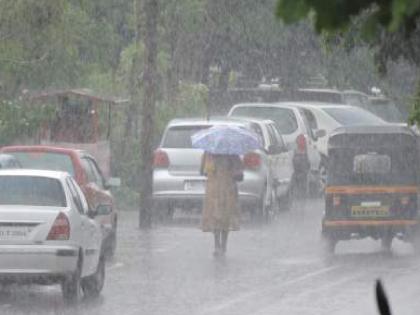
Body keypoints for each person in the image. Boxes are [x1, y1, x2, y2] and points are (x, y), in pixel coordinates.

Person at [201, 152, 243, 257]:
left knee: (223, 216)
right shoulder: (210, 153)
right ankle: (219, 245)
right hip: (218, 189)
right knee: (219, 216)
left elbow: (239, 175)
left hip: (224, 189)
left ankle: (221, 246)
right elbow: (203, 171)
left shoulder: (230, 154)